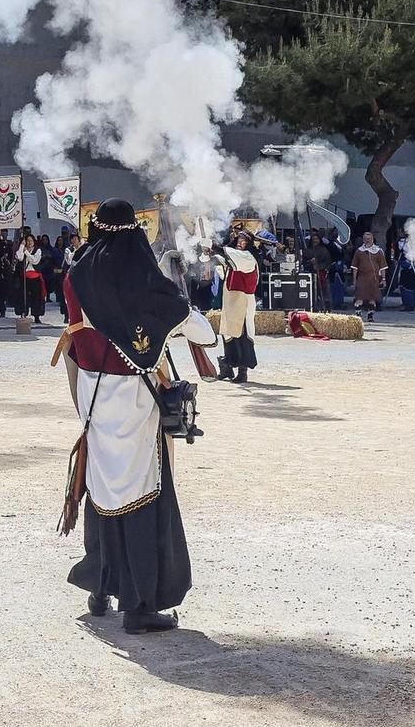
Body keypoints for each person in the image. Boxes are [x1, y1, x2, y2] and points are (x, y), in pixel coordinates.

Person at [57, 198, 216, 634]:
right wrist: (180, 304)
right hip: (133, 400)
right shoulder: (144, 279)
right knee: (143, 494)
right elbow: (204, 332)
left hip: (91, 394)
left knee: (103, 488)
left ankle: (100, 588)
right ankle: (140, 606)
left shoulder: (75, 276)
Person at [212, 231, 261, 383]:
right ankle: (227, 367)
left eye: (244, 241)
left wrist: (214, 246)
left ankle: (243, 371)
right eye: (239, 239)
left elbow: (228, 255)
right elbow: (222, 261)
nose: (240, 242)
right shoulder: (234, 257)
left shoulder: (248, 257)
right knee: (228, 334)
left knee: (242, 335)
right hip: (231, 299)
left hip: (243, 300)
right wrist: (209, 251)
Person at [351, 230, 386, 321]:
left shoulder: (378, 251)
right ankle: (358, 316)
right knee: (359, 297)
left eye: (369, 238)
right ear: (363, 239)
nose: (367, 240)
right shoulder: (359, 251)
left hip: (374, 278)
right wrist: (354, 280)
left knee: (372, 298)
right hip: (362, 277)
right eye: (366, 238)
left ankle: (370, 316)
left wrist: (383, 279)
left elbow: (383, 267)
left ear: (372, 239)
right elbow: (354, 267)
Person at [16, 230, 46, 321]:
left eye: (31, 241)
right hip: (25, 276)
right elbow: (20, 258)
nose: (29, 243)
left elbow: (34, 261)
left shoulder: (38, 250)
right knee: (23, 296)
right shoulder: (23, 249)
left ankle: (36, 316)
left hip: (35, 276)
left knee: (36, 297)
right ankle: (23, 312)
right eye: (27, 241)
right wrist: (21, 246)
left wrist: (27, 252)